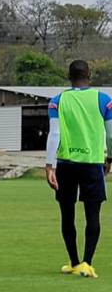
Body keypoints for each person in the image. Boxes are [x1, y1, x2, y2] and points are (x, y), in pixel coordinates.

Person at [45, 60, 112, 278]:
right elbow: (111, 134)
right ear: (89, 74)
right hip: (92, 163)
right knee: (92, 214)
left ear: (68, 76)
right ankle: (87, 262)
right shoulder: (103, 100)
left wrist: (49, 165)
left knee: (67, 214)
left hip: (65, 164)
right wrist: (110, 157)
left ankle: (74, 261)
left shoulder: (58, 101)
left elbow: (54, 134)